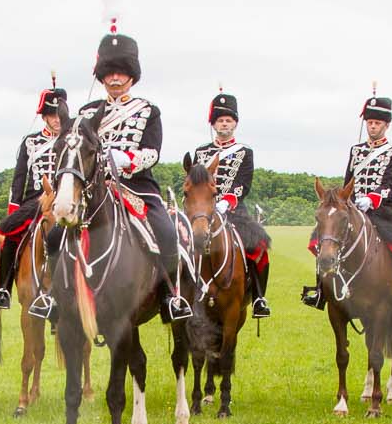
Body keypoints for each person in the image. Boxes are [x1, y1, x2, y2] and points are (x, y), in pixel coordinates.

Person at [73, 20, 193, 322]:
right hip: (94, 188)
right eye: (110, 72)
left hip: (137, 187)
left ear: (131, 76)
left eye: (121, 72)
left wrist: (122, 158)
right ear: (101, 75)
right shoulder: (87, 112)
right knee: (58, 234)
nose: (115, 78)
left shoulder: (148, 110)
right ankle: (57, 298)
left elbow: (152, 152)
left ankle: (171, 297)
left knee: (166, 233)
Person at [310, 92, 392, 312]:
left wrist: (371, 199)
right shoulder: (356, 151)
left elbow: (391, 183)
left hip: (381, 208)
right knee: (322, 237)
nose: (372, 127)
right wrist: (346, 201)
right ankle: (320, 290)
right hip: (352, 208)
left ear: (386, 125)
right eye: (370, 122)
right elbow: (348, 181)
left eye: (377, 123)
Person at [190, 90, 272, 318]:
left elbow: (244, 183)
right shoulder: (201, 152)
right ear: (213, 124)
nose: (224, 124)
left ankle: (258, 298)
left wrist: (226, 201)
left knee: (259, 247)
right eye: (220, 120)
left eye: (228, 120)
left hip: (234, 211)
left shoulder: (245, 152)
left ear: (235, 124)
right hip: (203, 211)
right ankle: (181, 296)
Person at [0, 80, 67, 313]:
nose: (56, 119)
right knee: (10, 237)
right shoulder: (31, 142)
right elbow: (19, 178)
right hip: (35, 200)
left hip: (66, 198)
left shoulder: (71, 139)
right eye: (51, 114)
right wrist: (14, 208)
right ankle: (4, 288)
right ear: (44, 117)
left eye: (59, 114)